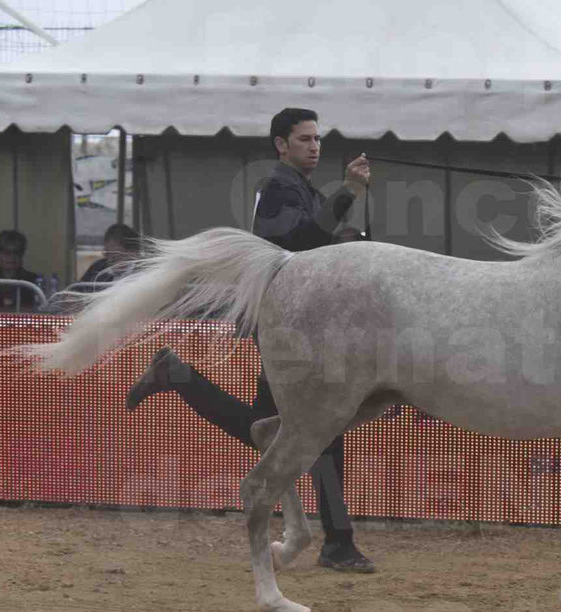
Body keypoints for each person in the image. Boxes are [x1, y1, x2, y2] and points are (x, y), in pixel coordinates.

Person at [126, 107, 375, 572]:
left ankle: (176, 375)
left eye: (317, 138)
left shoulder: (300, 188)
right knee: (315, 429)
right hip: (288, 329)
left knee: (274, 428)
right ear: (281, 145)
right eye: (304, 139)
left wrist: (348, 237)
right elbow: (296, 242)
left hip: (299, 327)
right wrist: (348, 193)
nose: (315, 146)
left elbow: (314, 243)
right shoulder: (276, 187)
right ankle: (338, 543)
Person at [0, 229, 42, 311]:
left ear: (22, 255)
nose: (12, 257)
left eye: (16, 252)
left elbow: (40, 310)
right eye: (7, 253)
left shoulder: (33, 281)